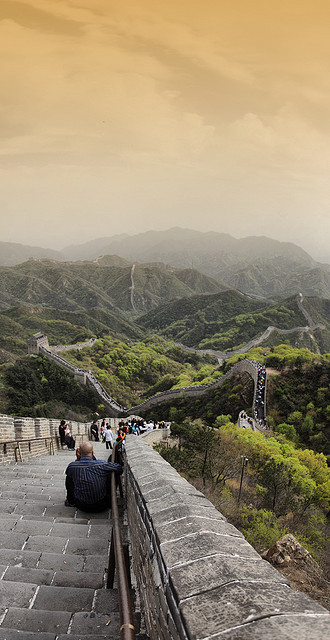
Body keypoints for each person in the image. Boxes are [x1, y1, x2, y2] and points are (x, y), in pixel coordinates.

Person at [65, 441, 122, 512]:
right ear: (92, 453)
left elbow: (70, 482)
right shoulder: (101, 464)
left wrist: (77, 459)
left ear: (79, 453)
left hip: (81, 505)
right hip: (101, 505)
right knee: (110, 472)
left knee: (69, 476)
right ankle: (111, 500)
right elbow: (119, 468)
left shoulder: (72, 466)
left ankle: (71, 501)